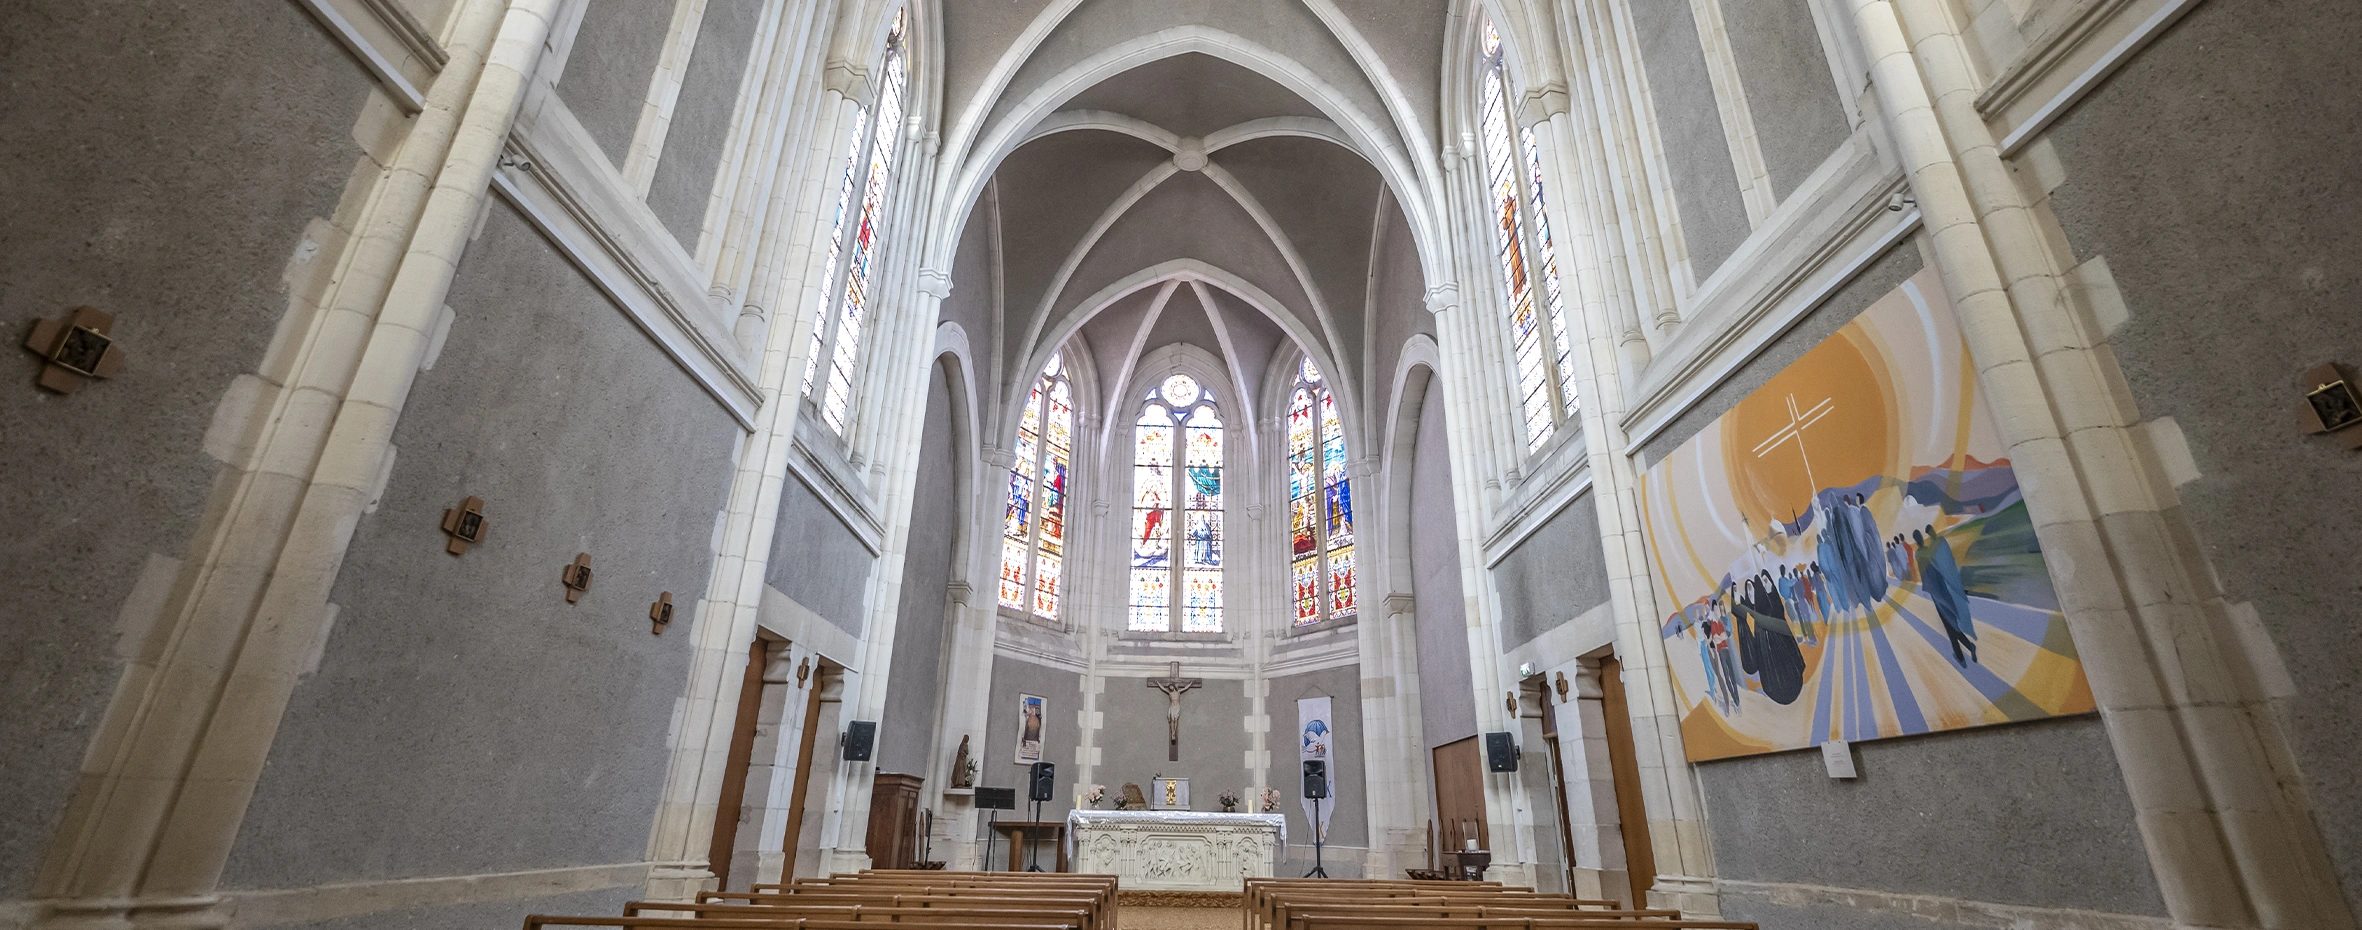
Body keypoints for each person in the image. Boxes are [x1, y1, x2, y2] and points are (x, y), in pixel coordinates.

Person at [1915, 526, 1978, 666]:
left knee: (1949, 623)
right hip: (1943, 589)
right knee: (1950, 621)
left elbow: (1925, 574)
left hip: (1936, 592)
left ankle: (1965, 650)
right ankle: (1961, 652)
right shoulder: (1929, 551)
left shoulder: (1919, 554)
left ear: (1916, 541)